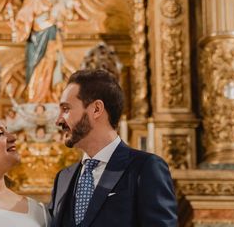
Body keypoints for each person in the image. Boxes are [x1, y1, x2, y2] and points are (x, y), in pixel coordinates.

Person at [50, 69, 177, 227]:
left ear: (96, 109)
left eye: (66, 109)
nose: (58, 120)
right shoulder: (63, 178)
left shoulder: (146, 168)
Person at [13, 0, 61, 103]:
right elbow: (24, 16)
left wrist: (57, 21)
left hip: (52, 36)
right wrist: (20, 27)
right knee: (34, 66)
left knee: (50, 65)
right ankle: (34, 98)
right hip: (35, 37)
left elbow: (62, 17)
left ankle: (50, 96)